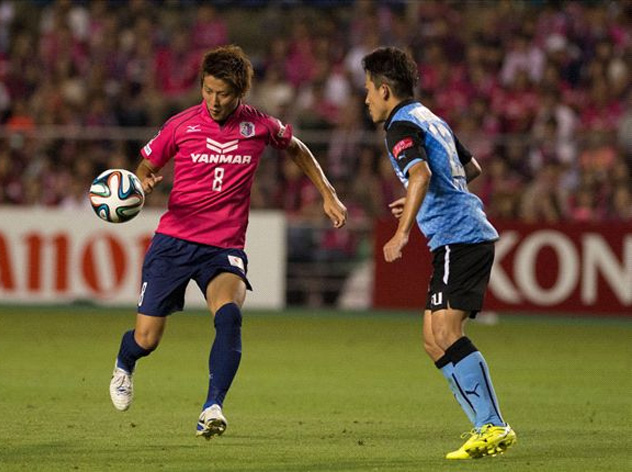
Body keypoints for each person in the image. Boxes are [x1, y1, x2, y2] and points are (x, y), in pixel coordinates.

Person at [109, 45, 348, 439]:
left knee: (230, 316)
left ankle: (212, 407)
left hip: (223, 247)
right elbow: (146, 166)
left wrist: (327, 192)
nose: (214, 101)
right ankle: (124, 361)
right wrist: (143, 182)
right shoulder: (180, 125)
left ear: (239, 93)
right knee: (147, 339)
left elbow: (298, 148)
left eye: (222, 94)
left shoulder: (259, 126)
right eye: (207, 91)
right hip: (174, 241)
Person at [361, 47, 516, 460]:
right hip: (459, 235)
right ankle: (483, 425)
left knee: (447, 332)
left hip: (458, 238)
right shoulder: (430, 117)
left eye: (369, 91)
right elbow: (472, 168)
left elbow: (422, 173)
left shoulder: (398, 125)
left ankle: (493, 425)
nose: (366, 100)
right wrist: (422, 200)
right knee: (432, 338)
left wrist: (402, 231)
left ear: (385, 90)